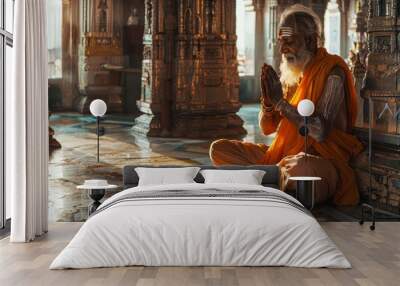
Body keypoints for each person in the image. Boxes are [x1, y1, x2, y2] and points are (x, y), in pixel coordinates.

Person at [209, 4, 363, 206]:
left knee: (301, 169)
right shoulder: (293, 74)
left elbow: (320, 132)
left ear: (309, 40)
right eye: (281, 42)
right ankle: (274, 178)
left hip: (322, 160)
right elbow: (267, 127)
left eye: (289, 42)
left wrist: (281, 102)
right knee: (219, 149)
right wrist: (268, 102)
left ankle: (264, 179)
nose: (282, 49)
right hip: (283, 157)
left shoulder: (332, 73)